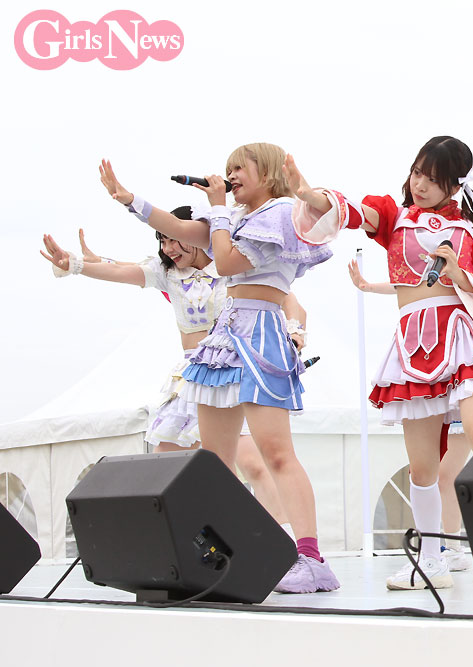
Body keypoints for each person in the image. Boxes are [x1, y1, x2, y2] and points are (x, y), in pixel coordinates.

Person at [97, 143, 338, 594]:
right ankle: (227, 555)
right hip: (224, 338)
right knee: (215, 464)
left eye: (239, 167)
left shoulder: (280, 213)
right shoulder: (236, 217)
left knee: (276, 453)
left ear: (268, 172)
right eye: (228, 169)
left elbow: (225, 262)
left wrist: (218, 207)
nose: (231, 174)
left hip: (261, 334)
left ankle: (311, 559)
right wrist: (129, 200)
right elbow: (178, 228)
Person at [286, 136, 473, 590]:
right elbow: (353, 213)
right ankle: (432, 560)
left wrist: (458, 274)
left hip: (464, 337)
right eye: (417, 174)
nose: (420, 185)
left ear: (456, 183)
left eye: (433, 179)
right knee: (421, 466)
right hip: (413, 345)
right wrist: (307, 192)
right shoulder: (395, 216)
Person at [39, 221, 293, 525]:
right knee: (167, 462)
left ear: (196, 236)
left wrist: (294, 334)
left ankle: (282, 537)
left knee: (253, 464)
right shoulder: (168, 274)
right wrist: (76, 265)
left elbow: (286, 301)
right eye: (163, 241)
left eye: (174, 239)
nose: (168, 248)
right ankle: (198, 535)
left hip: (232, 372)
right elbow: (121, 271)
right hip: (191, 375)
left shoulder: (233, 268)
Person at [348, 259, 473, 572]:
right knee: (432, 473)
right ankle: (443, 548)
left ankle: (453, 547)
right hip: (430, 365)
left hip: (466, 368)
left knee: (448, 474)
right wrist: (367, 286)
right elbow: (408, 282)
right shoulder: (423, 262)